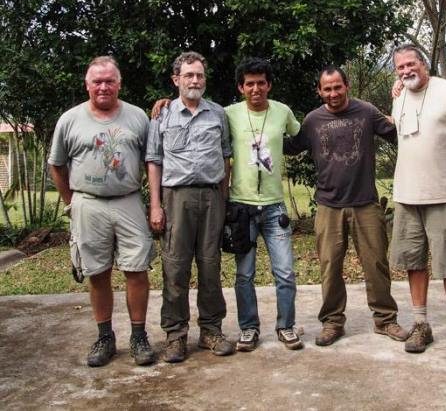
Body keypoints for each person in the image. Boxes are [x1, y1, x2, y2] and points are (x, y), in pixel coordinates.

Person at [284, 66, 409, 346]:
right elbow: (291, 146)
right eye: (327, 89)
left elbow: (398, 132)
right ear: (319, 91)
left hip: (365, 202)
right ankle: (332, 321)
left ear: (347, 86)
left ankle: (385, 319)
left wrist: (403, 103)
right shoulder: (313, 120)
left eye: (337, 87)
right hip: (328, 205)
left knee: (376, 263)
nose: (333, 93)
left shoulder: (366, 111)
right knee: (330, 266)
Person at [49, 56, 156, 367]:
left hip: (128, 201)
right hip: (88, 203)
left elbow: (152, 161)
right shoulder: (70, 119)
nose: (104, 87)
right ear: (87, 85)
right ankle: (105, 336)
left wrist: (154, 203)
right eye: (97, 81)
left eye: (110, 81)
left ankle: (138, 336)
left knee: (136, 270)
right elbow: (56, 164)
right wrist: (72, 201)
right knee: (97, 272)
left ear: (119, 84)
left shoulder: (137, 117)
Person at [146, 51, 235, 363]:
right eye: (188, 75)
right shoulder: (162, 115)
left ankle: (211, 330)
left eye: (199, 75)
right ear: (176, 80)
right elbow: (154, 161)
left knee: (210, 266)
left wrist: (223, 200)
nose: (194, 80)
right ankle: (175, 335)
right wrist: (155, 205)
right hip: (175, 197)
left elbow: (226, 157)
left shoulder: (218, 114)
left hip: (211, 197)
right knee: (175, 266)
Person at [390, 44, 446, 356]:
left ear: (423, 63)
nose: (407, 71)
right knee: (413, 262)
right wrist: (395, 90)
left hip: (445, 195)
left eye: (411, 64)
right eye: (400, 67)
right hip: (407, 196)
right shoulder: (399, 96)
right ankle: (421, 324)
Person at [225, 57, 303, 351]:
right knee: (244, 274)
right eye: (249, 84)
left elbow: (302, 135)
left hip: (274, 208)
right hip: (241, 207)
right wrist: (165, 103)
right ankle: (248, 328)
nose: (255, 88)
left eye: (261, 83)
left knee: (285, 272)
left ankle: (286, 326)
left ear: (268, 85)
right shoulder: (228, 114)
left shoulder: (282, 111)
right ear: (241, 87)